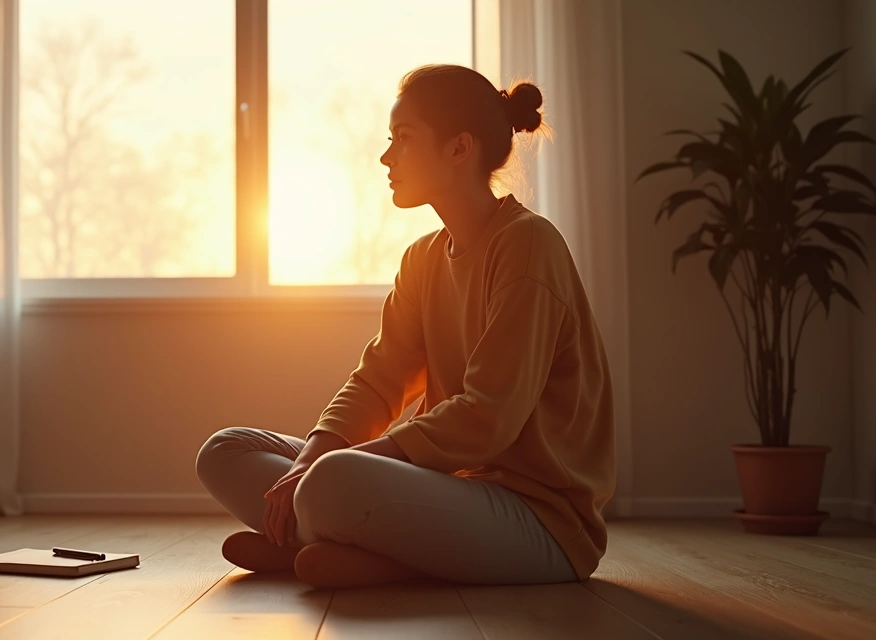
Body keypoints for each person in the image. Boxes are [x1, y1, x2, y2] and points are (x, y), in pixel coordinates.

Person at [194, 63, 615, 590]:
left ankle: (350, 551)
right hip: (449, 492)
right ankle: (341, 544)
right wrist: (309, 457)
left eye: (403, 140)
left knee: (332, 479)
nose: (386, 157)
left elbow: (489, 416)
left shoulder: (528, 244)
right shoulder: (422, 259)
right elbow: (379, 381)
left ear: (459, 148)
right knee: (225, 451)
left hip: (540, 523)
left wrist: (331, 466)